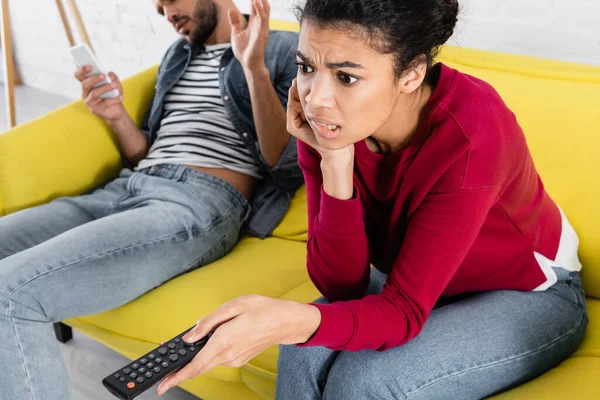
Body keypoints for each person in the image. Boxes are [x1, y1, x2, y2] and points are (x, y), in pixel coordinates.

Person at [158, 0, 588, 399]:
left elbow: (402, 312)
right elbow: (342, 285)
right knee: (300, 350)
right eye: (306, 66)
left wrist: (290, 318)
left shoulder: (473, 132)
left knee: (364, 383)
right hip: (419, 284)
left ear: (411, 75)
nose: (316, 98)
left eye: (346, 76)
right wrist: (335, 165)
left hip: (529, 292)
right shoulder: (327, 119)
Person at [0, 0, 301, 398]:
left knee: (11, 293)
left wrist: (253, 68)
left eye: (170, 1)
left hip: (196, 202)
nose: (166, 14)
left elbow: (285, 165)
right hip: (128, 186)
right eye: (159, 9)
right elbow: (149, 152)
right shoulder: (177, 56)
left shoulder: (285, 49)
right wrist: (115, 116)